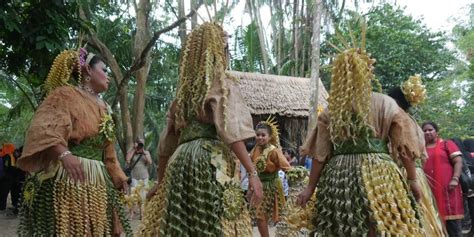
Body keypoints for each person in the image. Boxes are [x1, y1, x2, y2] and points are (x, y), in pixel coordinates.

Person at [137, 22, 263, 236]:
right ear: (219, 51)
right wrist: (252, 172)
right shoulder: (221, 84)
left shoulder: (183, 95)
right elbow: (230, 132)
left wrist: (160, 180)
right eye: (226, 49)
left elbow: (166, 144)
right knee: (212, 222)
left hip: (180, 162)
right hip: (208, 162)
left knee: (183, 225)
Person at [297, 45, 423, 236]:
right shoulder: (386, 103)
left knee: (343, 227)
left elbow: (320, 155)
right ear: (368, 73)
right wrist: (413, 179)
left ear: (340, 76)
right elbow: (404, 146)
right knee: (381, 224)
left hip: (339, 177)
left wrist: (310, 188)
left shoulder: (332, 111)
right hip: (380, 174)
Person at [16, 48, 131, 236]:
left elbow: (108, 151)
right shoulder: (65, 95)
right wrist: (64, 153)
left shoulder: (106, 108)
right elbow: (46, 127)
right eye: (104, 70)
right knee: (70, 228)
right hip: (70, 178)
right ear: (87, 70)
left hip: (98, 181)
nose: (108, 76)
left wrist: (119, 178)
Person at [388, 76, 446, 236]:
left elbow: (404, 150)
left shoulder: (398, 117)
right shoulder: (411, 120)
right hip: (415, 172)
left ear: (394, 101)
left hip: (407, 173)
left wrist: (411, 178)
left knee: (409, 218)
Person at [422, 121, 464, 237]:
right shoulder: (421, 148)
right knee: (432, 219)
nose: (427, 132)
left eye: (430, 130)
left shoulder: (446, 144)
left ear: (437, 132)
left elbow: (458, 161)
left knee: (452, 223)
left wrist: (455, 178)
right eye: (424, 131)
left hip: (448, 188)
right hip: (428, 189)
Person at [251, 120, 291, 237]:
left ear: (269, 137)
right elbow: (252, 169)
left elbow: (286, 167)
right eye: (258, 135)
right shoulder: (255, 149)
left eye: (263, 135)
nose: (260, 137)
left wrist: (295, 178)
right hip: (259, 185)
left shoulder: (274, 151)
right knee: (260, 215)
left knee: (275, 215)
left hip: (272, 186)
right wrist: (250, 188)